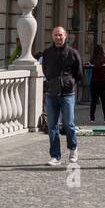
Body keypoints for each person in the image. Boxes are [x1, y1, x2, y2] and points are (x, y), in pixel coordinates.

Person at [39, 26, 82, 166]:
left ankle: (73, 148)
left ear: (66, 36)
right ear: (52, 36)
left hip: (67, 94)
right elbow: (45, 70)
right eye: (56, 35)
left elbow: (79, 73)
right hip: (51, 94)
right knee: (52, 126)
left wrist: (69, 82)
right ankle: (55, 156)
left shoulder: (72, 53)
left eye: (61, 35)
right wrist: (52, 83)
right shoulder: (47, 53)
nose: (58, 37)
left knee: (69, 124)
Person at [89, 43, 105, 122]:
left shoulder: (92, 60)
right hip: (103, 82)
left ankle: (92, 118)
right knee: (104, 101)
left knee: (93, 101)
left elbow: (90, 65)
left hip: (94, 82)